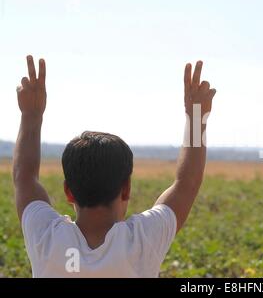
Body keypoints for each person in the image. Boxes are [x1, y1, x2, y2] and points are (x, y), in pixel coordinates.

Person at [13, 55, 216, 277]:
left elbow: (24, 177)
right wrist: (197, 116)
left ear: (68, 192)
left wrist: (31, 115)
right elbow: (187, 183)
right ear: (126, 189)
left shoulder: (46, 237)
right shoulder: (142, 240)